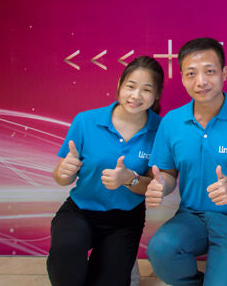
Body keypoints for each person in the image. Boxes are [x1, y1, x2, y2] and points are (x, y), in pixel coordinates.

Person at [145, 38, 227, 286]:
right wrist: (161, 185)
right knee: (161, 249)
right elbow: (167, 174)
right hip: (191, 216)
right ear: (182, 78)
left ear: (224, 72)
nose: (200, 81)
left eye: (209, 71)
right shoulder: (171, 122)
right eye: (191, 73)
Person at [47, 56, 164, 286]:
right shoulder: (85, 121)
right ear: (119, 84)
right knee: (66, 254)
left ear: (157, 94)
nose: (136, 95)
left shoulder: (161, 130)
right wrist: (63, 172)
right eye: (131, 86)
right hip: (80, 211)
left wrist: (129, 179)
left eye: (146, 89)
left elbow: (153, 185)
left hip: (125, 220)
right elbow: (62, 178)